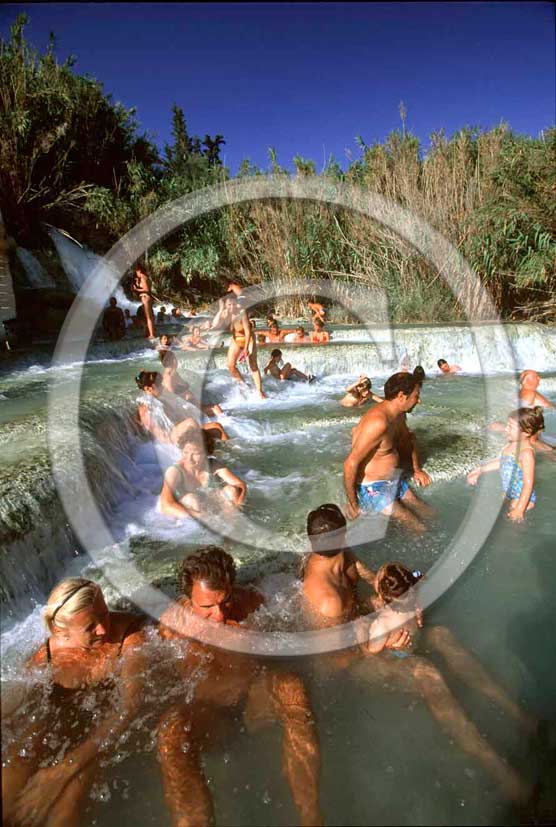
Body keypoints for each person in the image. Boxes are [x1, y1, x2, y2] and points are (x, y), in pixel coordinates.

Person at [157, 547, 322, 827]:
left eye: (225, 602)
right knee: (171, 729)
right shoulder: (172, 626)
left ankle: (311, 818)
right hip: (212, 718)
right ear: (188, 598)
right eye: (207, 608)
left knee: (291, 685)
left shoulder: (250, 603)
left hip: (254, 704)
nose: (219, 615)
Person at [2, 578, 146, 827]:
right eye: (91, 626)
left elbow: (131, 704)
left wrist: (64, 770)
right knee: (21, 754)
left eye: (104, 613)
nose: (103, 629)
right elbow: (15, 699)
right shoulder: (46, 653)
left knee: (71, 796)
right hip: (56, 724)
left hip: (103, 729)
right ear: (61, 631)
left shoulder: (129, 634)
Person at [343, 372, 433, 531]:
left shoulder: (399, 415)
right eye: (416, 396)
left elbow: (408, 440)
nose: (418, 400)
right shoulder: (378, 423)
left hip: (392, 480)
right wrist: (353, 505)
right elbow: (350, 463)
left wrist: (417, 469)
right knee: (419, 528)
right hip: (372, 488)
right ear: (401, 396)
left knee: (430, 513)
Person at [467, 407, 544, 522]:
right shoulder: (511, 444)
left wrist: (519, 509)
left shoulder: (526, 453)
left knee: (514, 521)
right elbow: (503, 461)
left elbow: (528, 484)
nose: (506, 429)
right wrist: (480, 470)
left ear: (526, 431)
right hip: (508, 491)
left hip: (521, 497)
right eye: (507, 425)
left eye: (510, 427)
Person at [159, 433, 246, 519]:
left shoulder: (213, 465)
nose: (189, 458)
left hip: (210, 506)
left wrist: (238, 504)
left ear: (206, 453)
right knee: (191, 499)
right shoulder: (175, 472)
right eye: (185, 452)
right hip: (189, 513)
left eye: (196, 454)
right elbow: (165, 506)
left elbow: (240, 485)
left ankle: (233, 523)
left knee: (231, 490)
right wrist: (200, 517)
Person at [135, 371, 228, 445]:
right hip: (169, 440)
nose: (162, 387)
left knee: (216, 427)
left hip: (176, 433)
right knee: (195, 423)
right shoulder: (146, 407)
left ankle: (228, 450)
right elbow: (158, 434)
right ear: (148, 388)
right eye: (159, 385)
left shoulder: (159, 401)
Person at [159, 349, 223, 416]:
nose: (176, 360)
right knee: (216, 409)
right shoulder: (168, 377)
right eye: (175, 358)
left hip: (193, 404)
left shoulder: (173, 373)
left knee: (215, 408)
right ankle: (227, 423)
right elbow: (171, 397)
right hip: (189, 407)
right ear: (172, 360)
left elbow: (185, 385)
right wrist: (186, 396)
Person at [227, 294, 266, 399]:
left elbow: (248, 332)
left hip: (248, 339)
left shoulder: (242, 313)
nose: (231, 307)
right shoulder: (227, 314)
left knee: (252, 364)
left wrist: (246, 349)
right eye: (229, 305)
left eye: (233, 304)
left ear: (236, 304)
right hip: (236, 339)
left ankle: (260, 391)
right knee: (230, 366)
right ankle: (244, 386)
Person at [131, 264, 156, 339]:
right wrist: (137, 284)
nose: (136, 273)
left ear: (139, 271)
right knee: (149, 317)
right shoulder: (146, 278)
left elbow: (146, 289)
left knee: (148, 317)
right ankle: (150, 333)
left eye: (136, 272)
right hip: (148, 298)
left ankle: (151, 335)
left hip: (145, 297)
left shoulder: (143, 278)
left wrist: (136, 289)